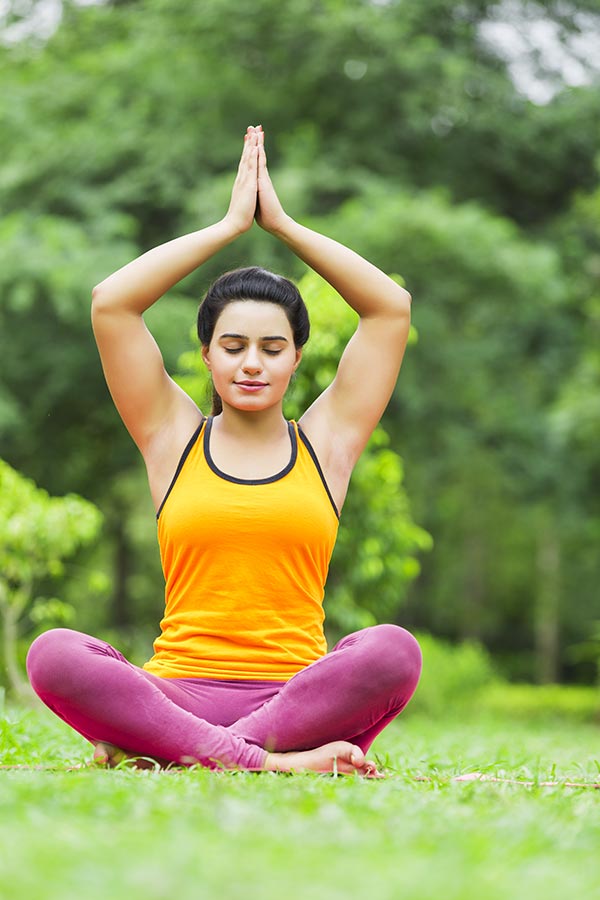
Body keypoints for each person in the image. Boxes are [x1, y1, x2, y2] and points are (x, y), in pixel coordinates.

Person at [27, 125, 422, 776]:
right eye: (233, 346)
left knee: (393, 650)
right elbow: (112, 304)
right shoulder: (170, 438)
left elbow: (390, 310)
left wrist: (285, 226)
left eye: (272, 348)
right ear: (207, 354)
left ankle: (182, 753)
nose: (252, 364)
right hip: (174, 693)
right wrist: (229, 226)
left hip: (294, 699)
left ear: (297, 357)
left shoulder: (327, 444)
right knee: (54, 653)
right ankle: (269, 763)